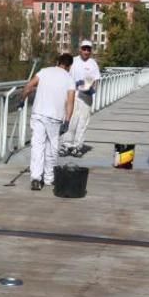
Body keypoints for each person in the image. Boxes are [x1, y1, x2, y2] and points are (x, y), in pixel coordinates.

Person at [17, 53, 76, 190]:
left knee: (37, 146)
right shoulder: (69, 79)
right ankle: (49, 178)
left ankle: (36, 179)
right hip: (55, 118)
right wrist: (67, 121)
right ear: (69, 66)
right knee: (52, 148)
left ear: (58, 62)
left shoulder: (44, 71)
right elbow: (70, 102)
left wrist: (21, 100)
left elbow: (29, 86)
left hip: (38, 114)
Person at [60, 40, 101, 158]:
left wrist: (92, 90)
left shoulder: (93, 63)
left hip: (86, 97)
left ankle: (77, 146)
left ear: (91, 51)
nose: (86, 51)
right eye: (84, 49)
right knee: (70, 120)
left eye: (89, 49)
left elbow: (96, 81)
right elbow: (65, 76)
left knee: (82, 123)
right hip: (73, 95)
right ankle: (66, 145)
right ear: (80, 49)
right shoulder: (73, 61)